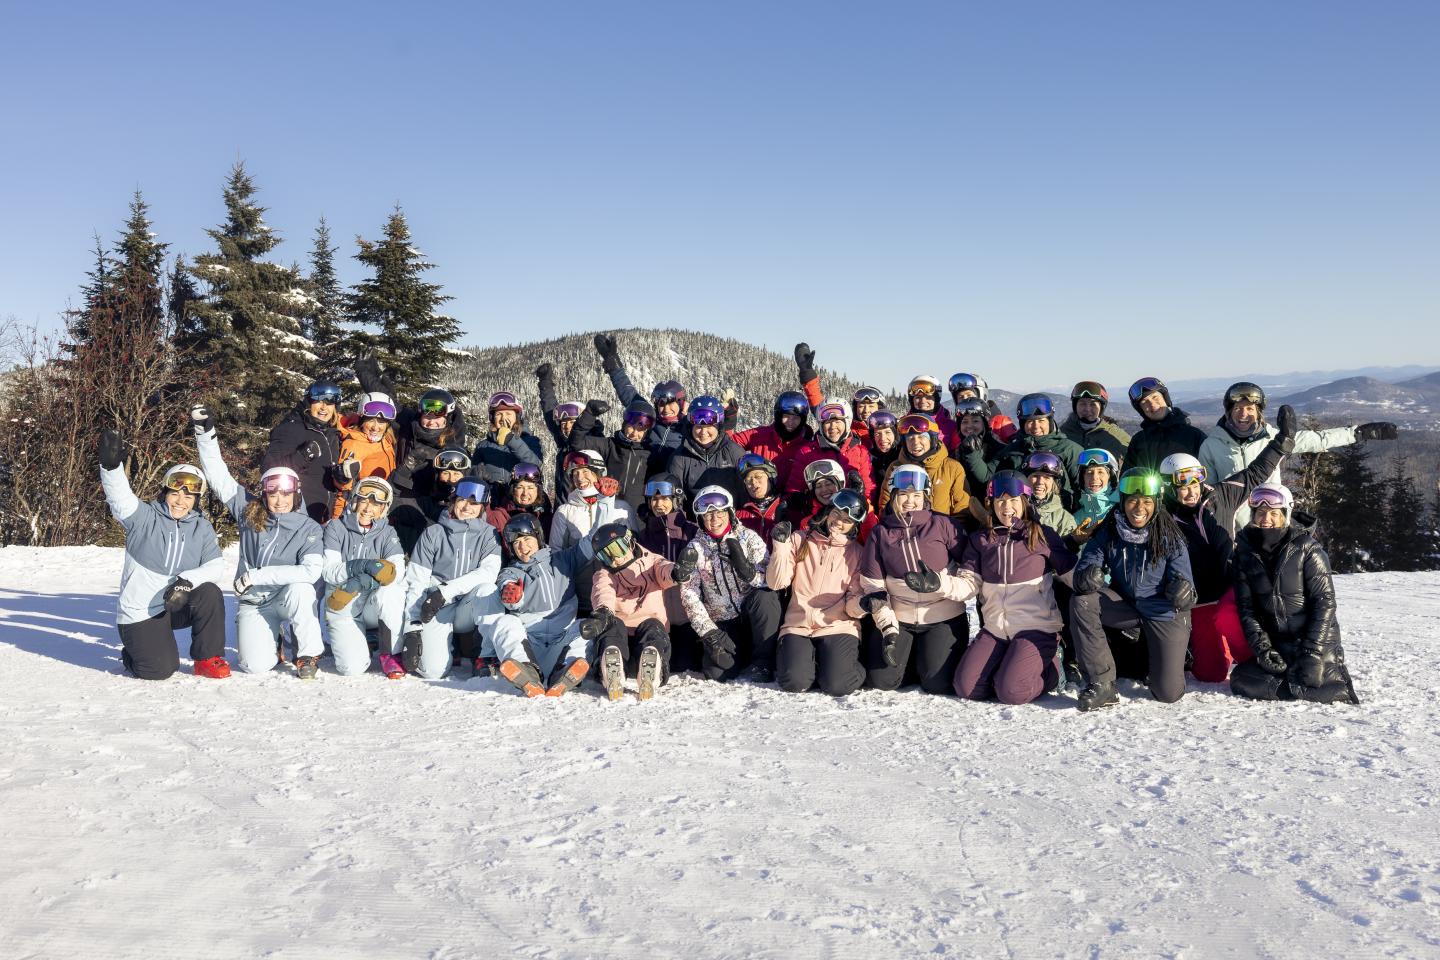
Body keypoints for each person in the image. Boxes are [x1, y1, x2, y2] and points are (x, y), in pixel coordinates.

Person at [1160, 404, 1299, 682]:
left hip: (1231, 588)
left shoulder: (1220, 496)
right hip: (1197, 600)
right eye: (1182, 484)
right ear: (1169, 487)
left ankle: (1253, 660)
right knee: (1210, 674)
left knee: (1227, 615)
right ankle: (1210, 652)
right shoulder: (1162, 519)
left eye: (1196, 480)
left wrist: (1282, 442)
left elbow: (1255, 472)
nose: (1191, 490)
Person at [192, 404, 326, 679]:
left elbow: (311, 572)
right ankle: (274, 643)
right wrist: (205, 435)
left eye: (286, 493)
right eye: (272, 492)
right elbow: (219, 478)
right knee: (255, 666)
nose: (280, 499)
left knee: (303, 589)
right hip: (255, 601)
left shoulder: (308, 526)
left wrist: (259, 575)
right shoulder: (249, 512)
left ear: (296, 494)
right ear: (264, 494)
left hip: (286, 595)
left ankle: (307, 654)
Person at [99, 431, 228, 680]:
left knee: (210, 593)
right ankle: (134, 654)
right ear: (165, 492)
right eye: (175, 493)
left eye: (188, 496)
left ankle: (206, 658)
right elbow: (119, 498)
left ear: (196, 500)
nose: (181, 501)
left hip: (176, 603)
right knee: (160, 670)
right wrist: (111, 468)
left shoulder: (201, 526)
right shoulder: (144, 517)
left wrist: (187, 581)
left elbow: (215, 566)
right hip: (141, 611)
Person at [1069, 468, 1197, 710]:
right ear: (1123, 503)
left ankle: (1172, 659)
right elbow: (1086, 564)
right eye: (1133, 501)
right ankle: (1102, 684)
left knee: (1168, 693)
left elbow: (1186, 583)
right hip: (1126, 605)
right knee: (1082, 601)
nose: (1139, 508)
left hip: (1163, 610)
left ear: (1156, 503)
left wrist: (1182, 590)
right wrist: (1088, 576)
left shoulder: (1169, 535)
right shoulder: (1109, 531)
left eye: (1147, 502)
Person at [1197, 381, 1397, 529]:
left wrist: (1358, 433)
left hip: (1273, 520)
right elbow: (1210, 495)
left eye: (1250, 408)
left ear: (1259, 413)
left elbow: (1318, 439)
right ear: (1229, 412)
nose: (1243, 414)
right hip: (1235, 528)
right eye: (1238, 408)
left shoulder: (1276, 439)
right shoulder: (1211, 445)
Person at [953, 471, 1078, 704]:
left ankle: (1051, 672)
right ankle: (1009, 667)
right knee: (966, 687)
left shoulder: (1042, 535)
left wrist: (1089, 577)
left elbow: (1071, 574)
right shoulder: (981, 540)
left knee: (1011, 692)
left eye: (1013, 500)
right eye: (1000, 501)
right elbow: (967, 584)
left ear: (1024, 502)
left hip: (1035, 628)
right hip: (996, 630)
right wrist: (937, 583)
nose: (1006, 506)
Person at [1229, 484, 1359, 704]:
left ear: (1286, 514)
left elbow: (1324, 604)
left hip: (1316, 642)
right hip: (1280, 643)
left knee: (1321, 682)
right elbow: (1247, 608)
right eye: (1260, 513)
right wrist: (1263, 650)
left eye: (1273, 513)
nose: (1266, 519)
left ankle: (1317, 682)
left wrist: (1312, 653)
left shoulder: (1308, 549)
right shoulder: (1246, 553)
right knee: (1240, 679)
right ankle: (1298, 684)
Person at [859, 465, 973, 694]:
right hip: (900, 617)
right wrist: (888, 626)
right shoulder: (880, 533)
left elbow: (971, 573)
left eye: (917, 495)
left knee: (937, 684)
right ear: (892, 497)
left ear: (926, 497)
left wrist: (942, 584)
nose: (910, 501)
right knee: (883, 681)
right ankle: (911, 657)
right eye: (902, 495)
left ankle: (927, 659)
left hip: (942, 616)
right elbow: (872, 586)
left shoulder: (944, 524)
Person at [766, 490, 869, 696]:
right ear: (829, 511)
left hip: (837, 625)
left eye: (847, 521)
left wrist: (863, 605)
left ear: (854, 526)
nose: (839, 522)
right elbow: (777, 582)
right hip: (799, 624)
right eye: (837, 514)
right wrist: (780, 545)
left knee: (837, 685)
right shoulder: (800, 539)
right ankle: (813, 665)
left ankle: (843, 666)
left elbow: (852, 600)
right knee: (795, 682)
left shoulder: (857, 553)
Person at [582, 522, 699, 701]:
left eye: (617, 549)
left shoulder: (652, 561)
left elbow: (664, 571)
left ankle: (651, 664)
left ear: (630, 542)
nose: (614, 559)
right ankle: (613, 666)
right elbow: (602, 592)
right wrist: (603, 613)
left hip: (645, 637)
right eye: (605, 556)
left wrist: (677, 573)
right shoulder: (605, 574)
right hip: (622, 644)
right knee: (613, 625)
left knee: (653, 625)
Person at [402, 477, 503, 680]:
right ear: (452, 501)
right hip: (436, 607)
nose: (467, 507)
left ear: (483, 507)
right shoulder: (433, 533)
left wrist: (445, 591)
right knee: (432, 671)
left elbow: (488, 573)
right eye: (462, 500)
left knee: (488, 590)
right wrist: (411, 628)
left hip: (468, 605)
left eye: (474, 503)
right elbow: (417, 580)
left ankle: (488, 657)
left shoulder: (490, 534)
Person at [678, 486, 782, 682]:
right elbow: (689, 593)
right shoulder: (695, 548)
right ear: (700, 518)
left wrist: (749, 573)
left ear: (729, 512)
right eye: (708, 515)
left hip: (751, 614)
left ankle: (763, 662)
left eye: (719, 512)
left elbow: (772, 579)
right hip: (723, 619)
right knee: (717, 672)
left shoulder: (748, 537)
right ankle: (740, 657)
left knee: (766, 598)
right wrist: (708, 631)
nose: (714, 519)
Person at [490, 513, 595, 697]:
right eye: (516, 543)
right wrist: (513, 597)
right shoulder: (511, 571)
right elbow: (505, 586)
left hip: (560, 644)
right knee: (505, 623)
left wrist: (605, 502)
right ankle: (526, 672)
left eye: (527, 539)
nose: (523, 547)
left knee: (585, 627)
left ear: (538, 537)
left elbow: (593, 540)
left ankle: (565, 672)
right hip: (530, 646)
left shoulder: (563, 560)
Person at [321, 476, 406, 677]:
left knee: (393, 592)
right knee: (351, 668)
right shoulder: (336, 527)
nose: (368, 508)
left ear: (384, 508)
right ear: (355, 500)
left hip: (370, 602)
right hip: (343, 600)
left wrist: (361, 580)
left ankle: (391, 654)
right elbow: (330, 571)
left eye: (376, 503)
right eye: (364, 500)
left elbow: (397, 571)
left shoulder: (387, 533)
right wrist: (366, 565)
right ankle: (359, 640)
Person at [384, 384, 468, 555]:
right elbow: (389, 403)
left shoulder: (453, 444)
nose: (431, 421)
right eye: (426, 416)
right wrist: (366, 369)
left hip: (433, 510)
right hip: (402, 505)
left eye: (437, 417)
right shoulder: (408, 426)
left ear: (448, 418)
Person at [962, 394, 1084, 507]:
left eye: (1041, 421)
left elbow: (1081, 488)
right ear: (1022, 424)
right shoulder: (1014, 449)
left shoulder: (1070, 450)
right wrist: (972, 454)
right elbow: (987, 476)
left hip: (1059, 516)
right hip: (1021, 516)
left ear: (1050, 422)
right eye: (1030, 421)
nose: (1036, 427)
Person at [634, 475, 701, 671]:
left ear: (676, 499)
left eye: (664, 498)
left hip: (688, 615)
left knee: (685, 665)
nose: (659, 504)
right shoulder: (643, 536)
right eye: (654, 499)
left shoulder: (692, 531)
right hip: (658, 616)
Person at [262, 380, 343, 524]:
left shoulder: (331, 434)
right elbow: (268, 469)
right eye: (318, 401)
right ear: (308, 402)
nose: (324, 407)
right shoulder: (291, 429)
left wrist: (342, 477)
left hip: (324, 519)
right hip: (297, 518)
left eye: (329, 403)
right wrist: (303, 456)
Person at [593, 333, 689, 455]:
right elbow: (628, 392)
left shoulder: (689, 426)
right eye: (661, 403)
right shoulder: (650, 418)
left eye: (671, 403)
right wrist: (613, 365)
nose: (665, 409)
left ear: (680, 402)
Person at [568, 397, 665, 509]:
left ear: (647, 432)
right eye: (631, 427)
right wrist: (589, 413)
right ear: (624, 425)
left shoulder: (651, 455)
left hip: (637, 516)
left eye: (640, 430)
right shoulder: (610, 446)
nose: (634, 433)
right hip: (607, 510)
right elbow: (576, 443)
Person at [876, 413, 971, 518]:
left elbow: (962, 509)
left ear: (932, 439)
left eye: (921, 437)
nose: (915, 442)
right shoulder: (895, 468)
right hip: (903, 530)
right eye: (910, 438)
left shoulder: (952, 468)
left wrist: (948, 532)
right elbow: (885, 507)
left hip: (942, 532)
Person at [786, 398, 875, 506]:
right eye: (828, 422)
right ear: (821, 425)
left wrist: (860, 498)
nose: (833, 427)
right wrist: (805, 501)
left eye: (837, 421)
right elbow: (793, 490)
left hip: (850, 515)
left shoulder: (860, 452)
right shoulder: (807, 453)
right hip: (818, 516)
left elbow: (869, 490)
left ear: (847, 422)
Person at [793, 342, 884, 441]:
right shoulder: (846, 428)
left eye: (871, 406)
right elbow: (821, 408)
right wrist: (807, 373)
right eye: (861, 406)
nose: (866, 410)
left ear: (879, 408)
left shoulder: (889, 430)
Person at [667, 394, 747, 502]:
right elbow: (674, 497)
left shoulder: (733, 453)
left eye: (709, 426)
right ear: (691, 427)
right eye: (698, 427)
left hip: (727, 516)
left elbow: (745, 493)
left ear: (719, 427)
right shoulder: (679, 458)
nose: (703, 432)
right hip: (693, 517)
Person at [330, 392, 398, 519]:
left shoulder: (387, 440)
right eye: (370, 420)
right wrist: (343, 477)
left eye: (381, 421)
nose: (375, 427)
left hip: (379, 507)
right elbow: (343, 490)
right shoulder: (354, 443)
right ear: (361, 420)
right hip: (359, 511)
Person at [728, 390, 814, 490]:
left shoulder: (806, 447)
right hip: (758, 497)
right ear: (778, 416)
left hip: (789, 501)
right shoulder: (758, 435)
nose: (790, 422)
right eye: (786, 416)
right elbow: (729, 444)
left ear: (802, 420)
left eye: (796, 418)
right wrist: (728, 421)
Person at [1122, 377, 1207, 472]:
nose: (1152, 404)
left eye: (1155, 397)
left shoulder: (1193, 436)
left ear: (1165, 399)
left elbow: (1210, 471)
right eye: (1144, 402)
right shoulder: (1139, 441)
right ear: (1141, 410)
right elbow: (1127, 477)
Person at [472, 391, 543, 493]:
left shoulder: (531, 441)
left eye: (508, 414)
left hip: (522, 497)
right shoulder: (482, 446)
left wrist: (511, 440)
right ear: (492, 418)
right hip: (493, 501)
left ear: (517, 417)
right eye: (499, 414)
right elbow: (474, 475)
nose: (503, 418)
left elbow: (535, 464)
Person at [487, 462, 555, 550]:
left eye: (530, 488)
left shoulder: (545, 515)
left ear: (538, 490)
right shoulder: (500, 515)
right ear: (513, 490)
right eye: (520, 487)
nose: (525, 493)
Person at [1059, 381, 1130, 464]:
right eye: (1082, 404)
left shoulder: (1117, 436)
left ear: (1101, 408)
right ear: (1075, 406)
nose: (1087, 409)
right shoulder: (1062, 435)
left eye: (1093, 404)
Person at [1021, 451, 1077, 537]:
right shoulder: (1014, 509)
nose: (1040, 482)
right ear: (1026, 479)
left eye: (1047, 478)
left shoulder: (1064, 519)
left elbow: (1068, 549)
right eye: (1035, 476)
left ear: (1053, 483)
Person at [735, 453, 788, 542]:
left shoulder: (786, 508)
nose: (753, 482)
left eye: (758, 476)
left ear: (770, 478)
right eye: (748, 480)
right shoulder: (739, 516)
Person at [903, 375, 958, 450]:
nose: (923, 401)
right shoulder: (903, 424)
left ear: (936, 400)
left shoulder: (951, 427)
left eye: (928, 397)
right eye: (918, 397)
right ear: (912, 400)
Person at [1073, 448, 1121, 532]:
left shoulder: (1120, 511)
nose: (1094, 477)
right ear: (1082, 478)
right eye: (1089, 472)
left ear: (1110, 477)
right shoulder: (1075, 519)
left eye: (1100, 472)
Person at [863, 410, 901, 508]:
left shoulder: (902, 455)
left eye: (887, 432)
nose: (883, 438)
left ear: (895, 434)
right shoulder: (869, 459)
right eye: (877, 434)